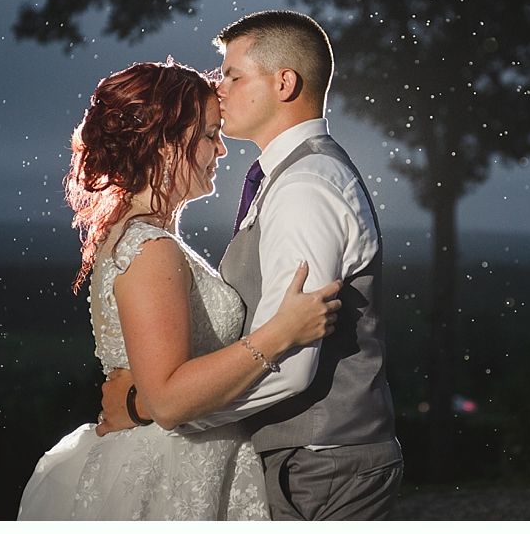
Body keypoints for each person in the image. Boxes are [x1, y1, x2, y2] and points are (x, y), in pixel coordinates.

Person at [99, 11, 403, 520]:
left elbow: (293, 366)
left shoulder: (306, 186)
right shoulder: (282, 178)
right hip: (303, 462)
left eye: (234, 76)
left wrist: (156, 410)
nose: (219, 89)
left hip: (319, 464)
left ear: (285, 83)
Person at [17, 58, 342, 520]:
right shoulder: (150, 249)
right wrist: (282, 332)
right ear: (168, 144)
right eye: (210, 135)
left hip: (185, 461)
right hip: (169, 475)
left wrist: (137, 403)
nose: (221, 151)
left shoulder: (147, 237)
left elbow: (155, 394)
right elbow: (168, 399)